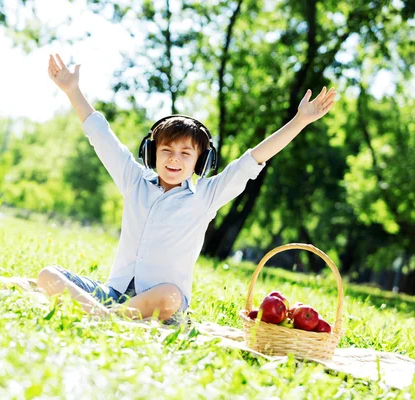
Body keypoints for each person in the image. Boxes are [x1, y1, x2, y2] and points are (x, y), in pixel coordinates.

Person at [34, 53, 336, 326]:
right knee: (48, 275)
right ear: (152, 154)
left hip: (162, 304)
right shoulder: (134, 180)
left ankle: (101, 318)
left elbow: (253, 159)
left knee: (171, 296)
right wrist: (72, 90)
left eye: (185, 153)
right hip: (113, 294)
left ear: (200, 161)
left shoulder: (206, 196)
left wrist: (300, 121)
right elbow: (101, 136)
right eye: (166, 150)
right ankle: (108, 317)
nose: (174, 159)